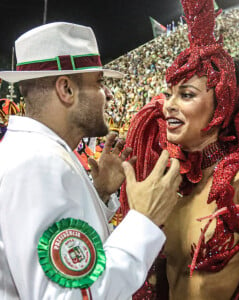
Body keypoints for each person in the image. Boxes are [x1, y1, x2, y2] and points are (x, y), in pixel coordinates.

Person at [120, 0, 239, 299]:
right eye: (168, 94)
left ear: (223, 107)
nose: (168, 106)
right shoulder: (171, 185)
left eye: (186, 95)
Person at [0, 22, 182, 300]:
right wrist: (144, 219)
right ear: (66, 90)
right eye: (99, 82)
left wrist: (98, 192)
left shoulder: (36, 153)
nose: (107, 94)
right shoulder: (38, 164)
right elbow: (71, 296)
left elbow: (62, 253)